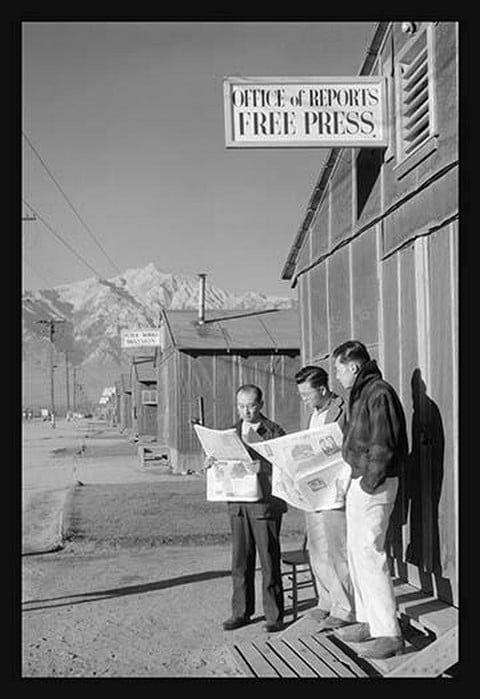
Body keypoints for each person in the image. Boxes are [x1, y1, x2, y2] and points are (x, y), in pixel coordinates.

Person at [332, 341, 408, 659]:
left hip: (374, 483)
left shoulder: (378, 392)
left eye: (338, 369)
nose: (337, 376)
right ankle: (368, 621)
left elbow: (383, 444)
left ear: (353, 366)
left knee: (369, 552)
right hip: (362, 480)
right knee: (357, 553)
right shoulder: (363, 392)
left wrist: (368, 482)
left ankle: (389, 634)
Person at [206, 384, 287, 633]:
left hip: (265, 505)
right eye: (241, 406)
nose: (246, 411)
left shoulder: (274, 432)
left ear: (260, 405)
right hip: (238, 504)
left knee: (269, 560)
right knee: (240, 561)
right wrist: (211, 462)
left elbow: (285, 463)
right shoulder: (229, 433)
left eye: (251, 406)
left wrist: (261, 467)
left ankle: (274, 615)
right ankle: (240, 612)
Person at [295, 365, 355, 631]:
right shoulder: (313, 414)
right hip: (313, 491)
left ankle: (345, 608)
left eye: (307, 394)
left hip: (334, 490)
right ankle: (326, 600)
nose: (304, 400)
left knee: (336, 550)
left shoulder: (343, 409)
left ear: (322, 389)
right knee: (317, 548)